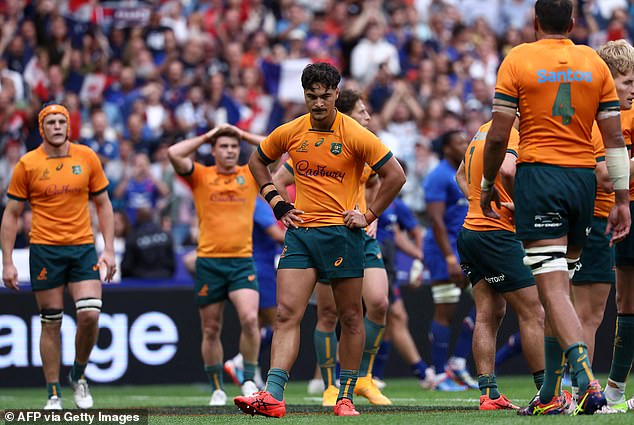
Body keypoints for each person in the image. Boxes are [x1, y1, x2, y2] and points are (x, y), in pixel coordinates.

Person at [481, 0, 630, 415]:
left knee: (552, 289)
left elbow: (497, 138)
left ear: (534, 21)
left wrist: (487, 184)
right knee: (559, 289)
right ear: (573, 21)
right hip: (585, 184)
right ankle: (549, 394)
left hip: (542, 178)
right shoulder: (593, 63)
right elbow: (614, 141)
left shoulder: (518, 59)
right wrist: (621, 200)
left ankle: (583, 380)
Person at [234, 62, 405, 417]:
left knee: (350, 317)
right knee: (285, 314)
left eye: (325, 96)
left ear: (336, 95)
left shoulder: (355, 134)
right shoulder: (291, 131)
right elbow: (256, 161)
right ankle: (273, 395)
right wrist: (277, 202)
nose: (318, 103)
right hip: (301, 234)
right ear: (304, 95)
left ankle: (344, 397)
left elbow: (395, 176)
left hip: (343, 236)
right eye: (312, 96)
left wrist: (369, 215)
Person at [271, 89, 392, 406]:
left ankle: (360, 380)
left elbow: (382, 179)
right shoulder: (308, 135)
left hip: (355, 233)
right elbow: (279, 174)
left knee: (377, 303)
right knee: (326, 313)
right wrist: (281, 204)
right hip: (315, 232)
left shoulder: (361, 143)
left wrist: (370, 215)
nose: (368, 117)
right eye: (362, 112)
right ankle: (328, 385)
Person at [1, 103, 116, 410]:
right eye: (50, 122)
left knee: (90, 314)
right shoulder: (27, 164)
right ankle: (53, 393)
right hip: (45, 250)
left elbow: (104, 204)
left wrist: (108, 248)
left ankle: (78, 375)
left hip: (81, 248)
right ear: (42, 128)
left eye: (61, 121)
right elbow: (12, 215)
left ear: (68, 126)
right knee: (50, 322)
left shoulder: (87, 156)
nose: (56, 126)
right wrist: (8, 261)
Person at [167, 124, 261, 406]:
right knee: (210, 329)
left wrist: (243, 134)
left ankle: (247, 378)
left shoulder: (250, 174)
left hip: (242, 260)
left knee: (251, 319)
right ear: (214, 150)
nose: (230, 151)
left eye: (234, 146)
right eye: (224, 146)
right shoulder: (201, 176)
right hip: (209, 262)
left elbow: (281, 148)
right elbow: (174, 152)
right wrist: (209, 135)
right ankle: (217, 387)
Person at [456, 117, 546, 410]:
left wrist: (478, 203)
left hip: (471, 231)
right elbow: (507, 170)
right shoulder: (511, 132)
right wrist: (522, 207)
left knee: (489, 312)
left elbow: (460, 175)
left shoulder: (483, 129)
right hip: (496, 235)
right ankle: (548, 393)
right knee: (533, 311)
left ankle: (489, 394)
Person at [570, 39, 634, 408]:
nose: (632, 89)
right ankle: (584, 395)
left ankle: (581, 391)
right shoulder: (602, 115)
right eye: (626, 81)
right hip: (598, 216)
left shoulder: (589, 108)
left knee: (575, 309)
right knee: (588, 313)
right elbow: (604, 174)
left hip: (595, 215)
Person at [423, 129, 477, 391]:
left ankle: (456, 362)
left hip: (466, 250)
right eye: (459, 142)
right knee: (445, 310)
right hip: (443, 252)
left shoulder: (465, 172)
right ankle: (438, 373)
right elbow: (435, 220)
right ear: (446, 148)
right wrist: (448, 257)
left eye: (466, 141)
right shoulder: (438, 176)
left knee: (490, 301)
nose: (465, 145)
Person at [604, 40, 634, 412]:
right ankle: (613, 389)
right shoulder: (604, 114)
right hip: (616, 208)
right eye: (627, 79)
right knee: (624, 302)